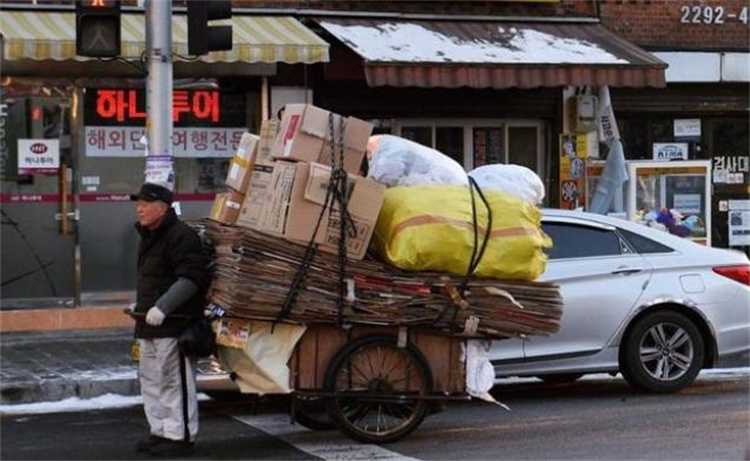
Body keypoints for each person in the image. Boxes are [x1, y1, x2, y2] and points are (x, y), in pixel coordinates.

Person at [129, 182, 210, 457]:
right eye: (138, 204)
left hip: (174, 322)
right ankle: (160, 430)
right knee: (151, 380)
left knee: (174, 380)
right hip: (147, 323)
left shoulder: (181, 236)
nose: (139, 209)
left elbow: (192, 278)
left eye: (145, 204)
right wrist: (141, 306)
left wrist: (162, 307)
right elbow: (154, 279)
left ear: (162, 208)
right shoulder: (149, 236)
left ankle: (180, 436)